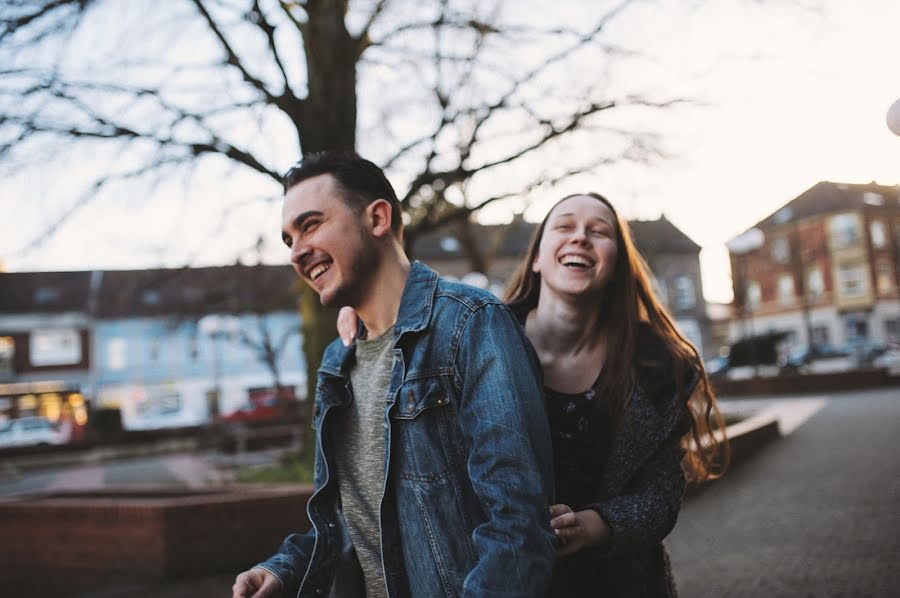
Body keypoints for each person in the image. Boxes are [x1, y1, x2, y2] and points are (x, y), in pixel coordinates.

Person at [339, 191, 727, 597]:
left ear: (616, 267)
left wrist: (594, 524)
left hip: (621, 582)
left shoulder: (655, 366)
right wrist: (369, 313)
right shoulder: (472, 341)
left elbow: (661, 493)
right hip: (498, 578)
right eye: (564, 226)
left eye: (599, 232)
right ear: (538, 258)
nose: (580, 237)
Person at [232, 151, 556, 598]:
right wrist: (284, 566)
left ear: (378, 218)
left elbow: (519, 527)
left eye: (310, 225)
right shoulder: (337, 364)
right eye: (288, 239)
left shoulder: (471, 324)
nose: (297, 252)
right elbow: (355, 518)